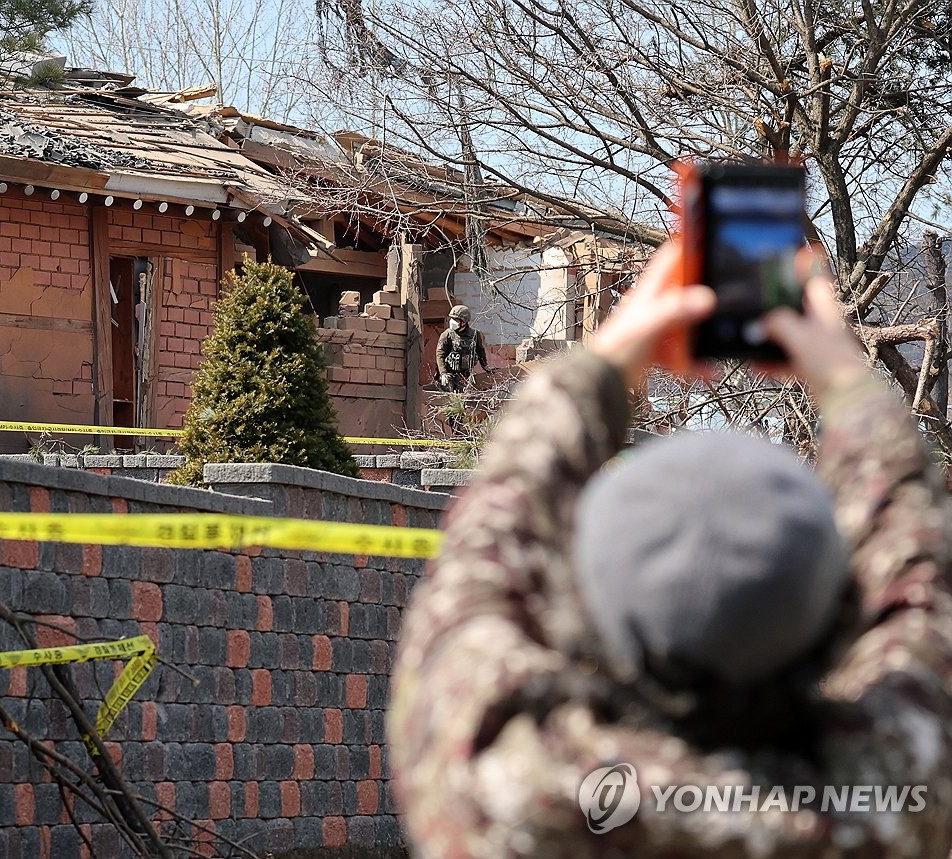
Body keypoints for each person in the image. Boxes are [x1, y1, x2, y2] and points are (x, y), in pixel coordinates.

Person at [388, 241, 952, 858]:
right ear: (839, 613)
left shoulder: (506, 795)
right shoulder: (892, 797)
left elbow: (487, 542)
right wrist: (843, 371)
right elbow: (915, 572)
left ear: (578, 605)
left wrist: (609, 352)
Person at [436, 304, 491, 392]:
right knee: (448, 393)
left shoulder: (475, 335)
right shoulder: (446, 335)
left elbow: (480, 351)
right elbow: (440, 355)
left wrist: (485, 365)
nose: (452, 321)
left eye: (455, 319)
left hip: (465, 374)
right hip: (449, 373)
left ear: (464, 321)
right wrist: (443, 373)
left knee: (466, 396)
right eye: (452, 318)